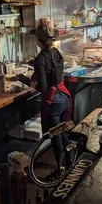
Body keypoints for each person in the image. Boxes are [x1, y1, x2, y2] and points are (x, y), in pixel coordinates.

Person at [30, 24, 73, 170]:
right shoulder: (56, 52)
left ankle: (61, 170)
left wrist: (25, 80)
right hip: (64, 98)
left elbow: (42, 87)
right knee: (63, 133)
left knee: (56, 139)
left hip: (53, 103)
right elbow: (54, 73)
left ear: (38, 41)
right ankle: (70, 164)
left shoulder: (40, 59)